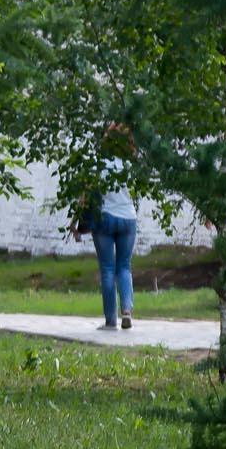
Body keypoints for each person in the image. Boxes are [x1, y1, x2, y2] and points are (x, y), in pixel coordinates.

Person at [73, 123, 140, 331]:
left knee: (108, 269)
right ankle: (127, 311)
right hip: (128, 218)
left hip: (105, 218)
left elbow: (84, 198)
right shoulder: (131, 165)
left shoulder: (97, 165)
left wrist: (74, 222)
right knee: (124, 267)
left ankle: (111, 320)